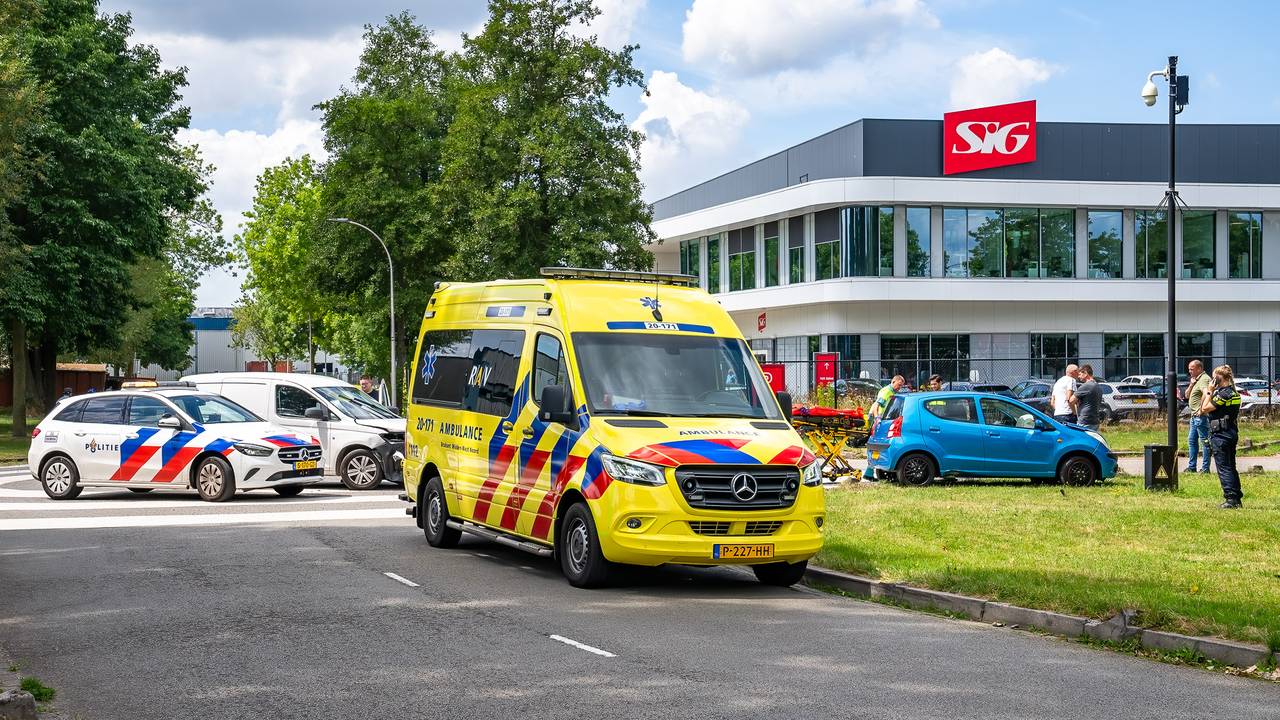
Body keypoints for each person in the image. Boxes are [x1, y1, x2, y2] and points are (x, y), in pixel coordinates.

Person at [1201, 364, 1242, 509]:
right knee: (1231, 466)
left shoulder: (1222, 394)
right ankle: (1236, 497)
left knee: (1224, 467)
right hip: (1231, 432)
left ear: (1218, 378)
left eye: (1214, 377)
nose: (1212, 380)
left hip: (1221, 435)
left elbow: (1204, 409)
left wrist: (1209, 392)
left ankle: (1231, 499)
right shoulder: (1234, 393)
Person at [1184, 359, 1212, 473]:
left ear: (1199, 368)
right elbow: (1186, 395)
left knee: (1204, 442)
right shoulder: (1196, 380)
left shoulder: (1204, 379)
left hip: (1201, 417)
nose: (1190, 371)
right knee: (1191, 440)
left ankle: (1205, 469)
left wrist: (1201, 409)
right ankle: (1192, 467)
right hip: (1193, 417)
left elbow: (1207, 393)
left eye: (1192, 369)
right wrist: (1191, 384)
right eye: (1189, 369)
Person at [1073, 365, 1103, 431]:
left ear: (1085, 373)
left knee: (1082, 440)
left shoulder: (1086, 386)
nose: (1078, 376)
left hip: (1085, 420)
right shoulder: (1097, 386)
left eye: (1080, 374)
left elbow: (1071, 400)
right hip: (1095, 420)